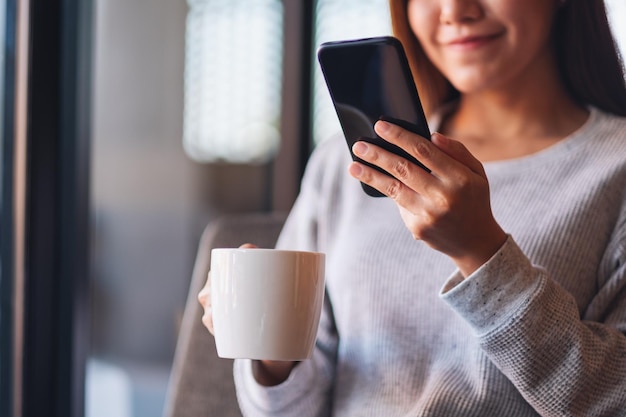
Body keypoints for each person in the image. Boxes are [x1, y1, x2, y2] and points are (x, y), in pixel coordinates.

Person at [198, 0, 626, 415]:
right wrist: (269, 347)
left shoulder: (615, 168)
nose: (455, 10)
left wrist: (482, 252)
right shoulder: (347, 163)